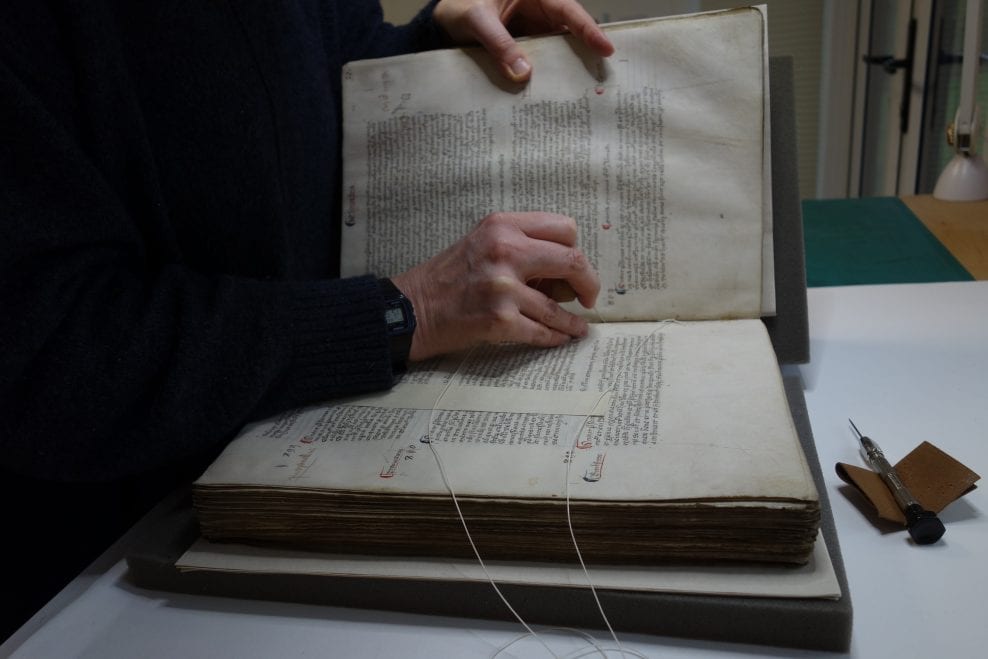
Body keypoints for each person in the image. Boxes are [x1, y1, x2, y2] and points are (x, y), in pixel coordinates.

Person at [0, 0, 614, 640]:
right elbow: (47, 353)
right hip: (113, 576)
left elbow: (320, 75)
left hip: (302, 459)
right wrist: (407, 311)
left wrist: (438, 48)